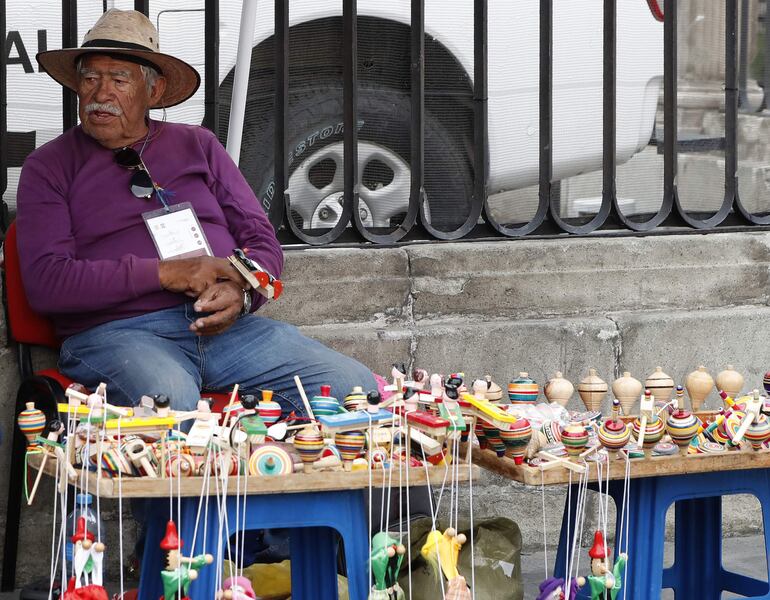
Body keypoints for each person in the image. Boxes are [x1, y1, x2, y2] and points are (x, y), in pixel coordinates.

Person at [16, 8, 377, 414]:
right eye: (90, 79)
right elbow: (48, 283)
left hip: (227, 330)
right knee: (170, 401)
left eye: (119, 79)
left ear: (154, 91)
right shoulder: (49, 166)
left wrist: (241, 294)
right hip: (117, 334)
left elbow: (262, 242)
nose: (102, 94)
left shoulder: (198, 145)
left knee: (352, 388)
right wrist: (166, 273)